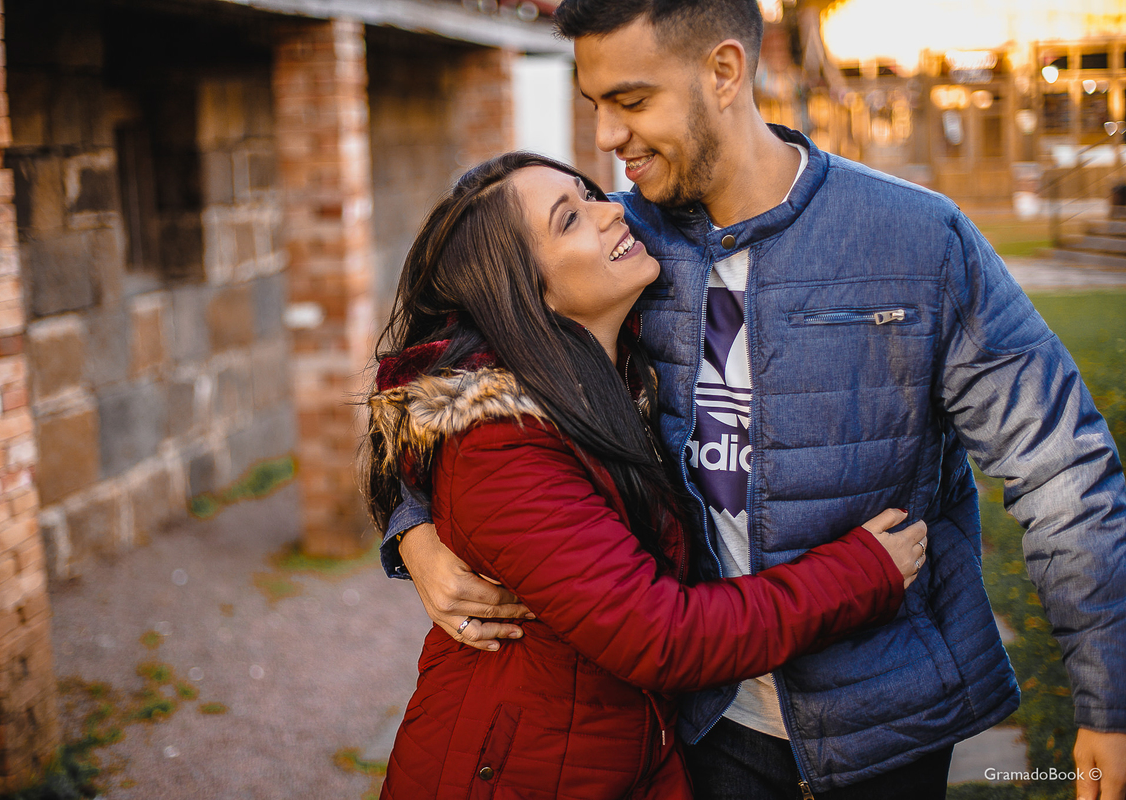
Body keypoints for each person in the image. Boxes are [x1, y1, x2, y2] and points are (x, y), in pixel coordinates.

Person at [383, 1, 1126, 798]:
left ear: (725, 72)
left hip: (890, 727)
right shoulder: (614, 254)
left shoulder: (916, 239)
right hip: (704, 730)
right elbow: (451, 378)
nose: (604, 138)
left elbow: (1062, 469)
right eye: (596, 104)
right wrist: (412, 522)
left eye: (632, 102)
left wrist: (1109, 700)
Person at [368, 152, 928, 799]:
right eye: (571, 218)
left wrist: (414, 528)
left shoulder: (609, 373)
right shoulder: (503, 445)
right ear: (527, 293)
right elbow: (662, 635)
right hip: (514, 775)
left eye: (589, 192)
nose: (614, 210)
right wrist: (859, 574)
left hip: (614, 754)